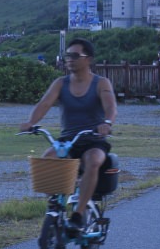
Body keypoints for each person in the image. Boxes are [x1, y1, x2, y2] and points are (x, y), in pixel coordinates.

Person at [20, 38, 118, 233]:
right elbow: (44, 104)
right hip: (68, 140)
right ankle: (59, 202)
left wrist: (107, 123)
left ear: (88, 59)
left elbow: (110, 106)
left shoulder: (101, 83)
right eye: (68, 56)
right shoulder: (60, 83)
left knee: (94, 161)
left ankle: (78, 215)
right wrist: (31, 122)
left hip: (93, 139)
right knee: (47, 162)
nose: (70, 60)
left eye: (75, 56)